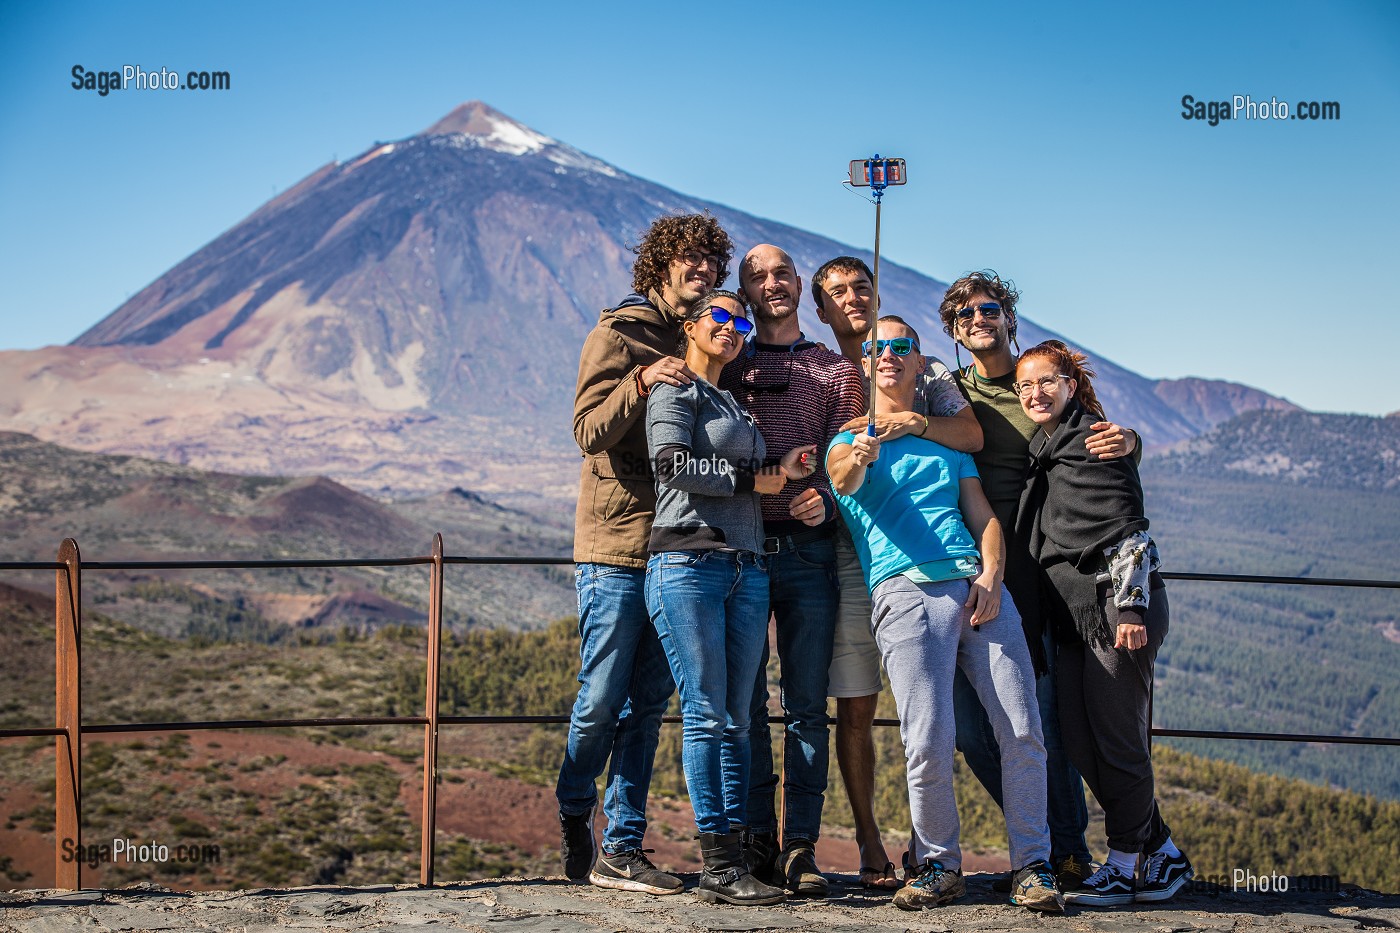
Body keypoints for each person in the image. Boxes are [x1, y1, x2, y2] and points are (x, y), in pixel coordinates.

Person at [826, 316, 1063, 914]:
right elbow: (844, 482)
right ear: (864, 363)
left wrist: (991, 576)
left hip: (979, 590)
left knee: (1022, 728)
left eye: (900, 347)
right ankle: (938, 865)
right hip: (906, 593)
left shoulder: (945, 441)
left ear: (917, 361)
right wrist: (862, 455)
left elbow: (983, 517)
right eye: (876, 348)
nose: (888, 355)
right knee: (928, 736)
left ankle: (1034, 865)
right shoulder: (846, 443)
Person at [937, 270, 1137, 890]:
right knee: (972, 731)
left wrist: (1130, 439)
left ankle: (1065, 854)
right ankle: (1042, 840)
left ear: (1009, 317)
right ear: (954, 332)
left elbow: (1099, 438)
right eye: (965, 315)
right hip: (960, 566)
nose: (978, 321)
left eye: (988, 310)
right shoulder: (948, 392)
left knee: (1041, 720)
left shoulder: (1039, 381)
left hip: (1036, 572)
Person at [561, 212, 734, 895]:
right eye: (690, 258)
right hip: (613, 542)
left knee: (648, 705)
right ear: (660, 265)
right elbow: (586, 430)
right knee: (601, 698)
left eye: (711, 262)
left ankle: (622, 846)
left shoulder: (714, 335)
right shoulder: (618, 333)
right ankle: (575, 801)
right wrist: (638, 383)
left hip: (678, 548)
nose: (702, 270)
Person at [810, 256, 982, 890]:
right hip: (846, 554)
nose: (852, 299)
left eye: (862, 288)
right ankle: (870, 844)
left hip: (920, 558)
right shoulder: (821, 370)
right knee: (856, 701)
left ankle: (928, 850)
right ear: (820, 309)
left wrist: (917, 422)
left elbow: (971, 435)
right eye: (837, 292)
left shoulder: (923, 367)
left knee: (932, 710)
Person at [645, 289, 813, 906]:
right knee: (706, 714)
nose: (733, 327)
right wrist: (750, 479)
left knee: (740, 718)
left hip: (747, 566)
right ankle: (718, 865)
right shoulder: (676, 390)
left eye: (740, 321)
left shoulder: (731, 400)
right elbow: (671, 465)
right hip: (689, 564)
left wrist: (782, 469)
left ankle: (739, 859)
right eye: (719, 316)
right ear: (690, 327)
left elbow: (751, 478)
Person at [1014, 340, 1193, 906]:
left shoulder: (1096, 440)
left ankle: (1124, 863)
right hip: (1076, 618)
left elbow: (1129, 529)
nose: (1035, 393)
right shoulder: (1047, 448)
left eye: (1046, 381)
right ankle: (1163, 852)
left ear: (1070, 385)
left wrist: (1131, 608)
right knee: (1080, 740)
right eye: (1025, 386)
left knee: (1118, 742)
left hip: (1116, 611)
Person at [718, 244, 865, 898]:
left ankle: (801, 845)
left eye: (781, 273)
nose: (771, 283)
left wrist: (826, 499)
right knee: (746, 706)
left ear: (799, 285)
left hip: (810, 554)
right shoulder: (728, 365)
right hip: (741, 553)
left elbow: (849, 461)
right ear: (744, 291)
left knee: (806, 705)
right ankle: (756, 840)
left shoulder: (835, 372)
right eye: (757, 276)